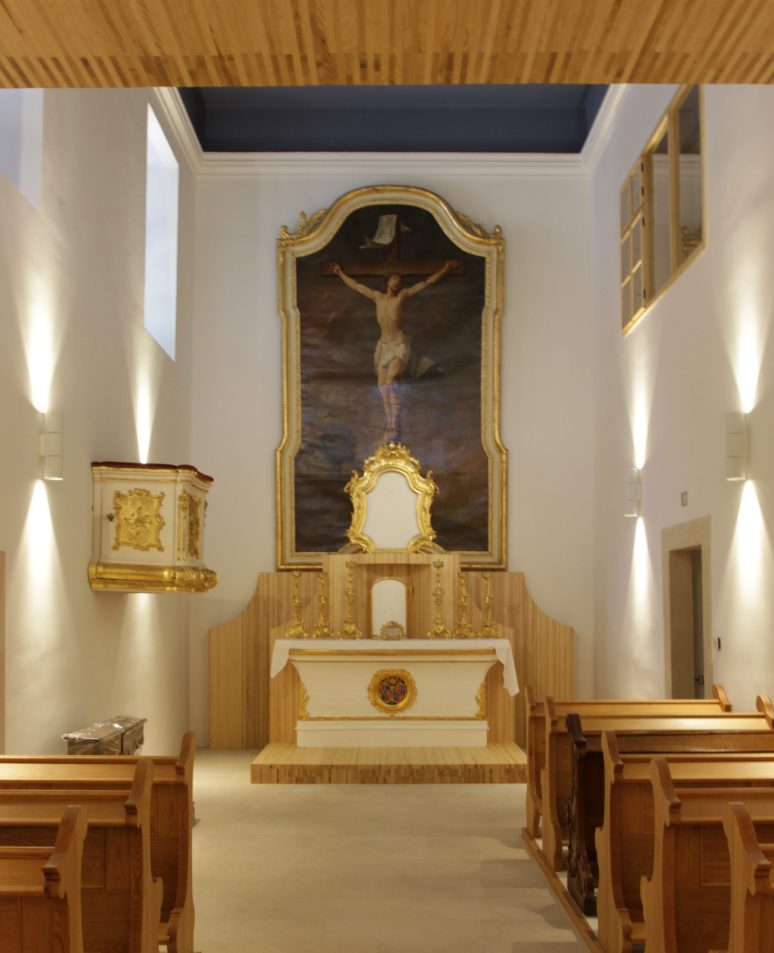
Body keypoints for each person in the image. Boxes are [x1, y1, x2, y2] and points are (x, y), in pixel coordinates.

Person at [331, 260, 456, 442]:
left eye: (399, 280)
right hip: (384, 345)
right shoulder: (377, 297)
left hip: (399, 344)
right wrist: (339, 273)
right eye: (394, 279)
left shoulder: (402, 296)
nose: (397, 282)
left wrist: (445, 269)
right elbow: (356, 286)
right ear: (387, 281)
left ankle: (396, 423)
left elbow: (426, 282)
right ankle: (389, 423)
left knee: (391, 382)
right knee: (382, 386)